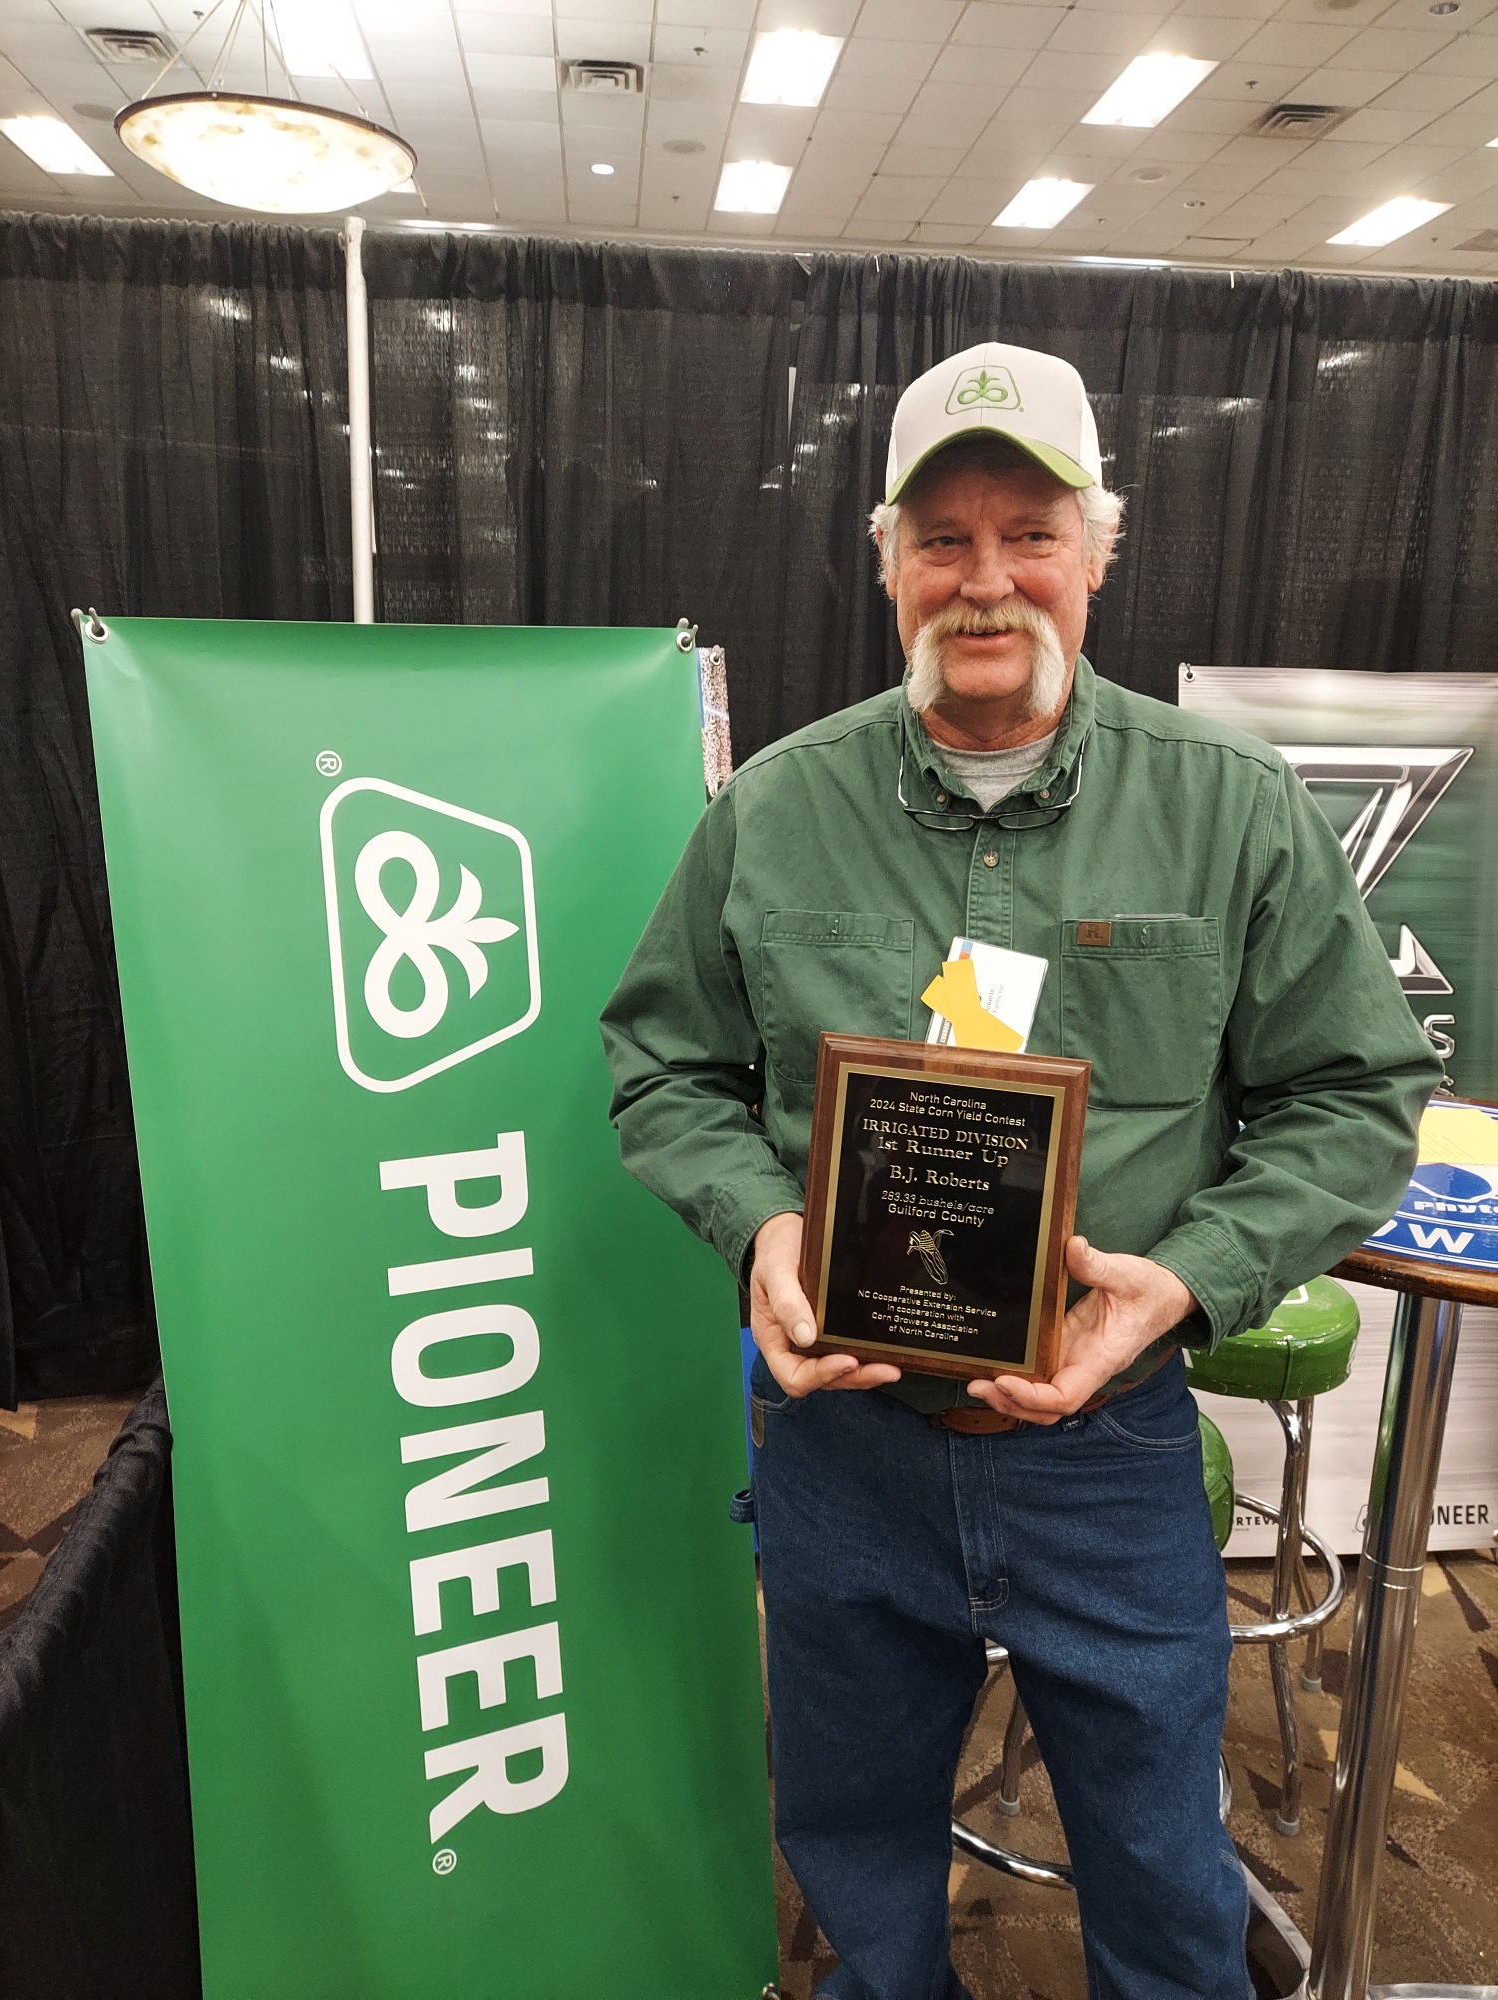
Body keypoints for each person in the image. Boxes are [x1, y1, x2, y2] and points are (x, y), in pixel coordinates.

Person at [601, 339, 1441, 2000]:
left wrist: (1184, 1285)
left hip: (1106, 1441)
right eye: (943, 538)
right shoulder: (772, 811)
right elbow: (665, 1064)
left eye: (1030, 532)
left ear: (1100, 548)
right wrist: (763, 1224)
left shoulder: (1232, 806)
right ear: (886, 558)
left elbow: (1356, 1093)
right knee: (852, 1846)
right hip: (842, 1436)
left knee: (1156, 1853)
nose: (986, 583)